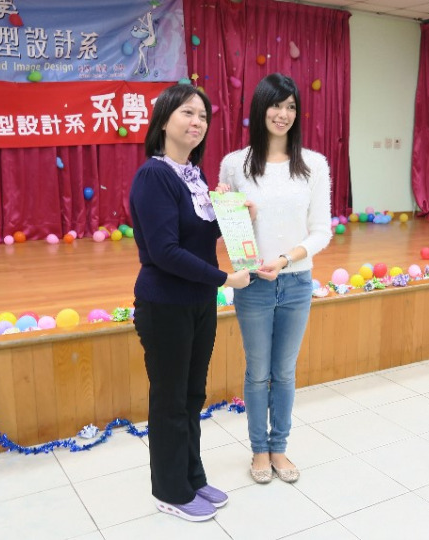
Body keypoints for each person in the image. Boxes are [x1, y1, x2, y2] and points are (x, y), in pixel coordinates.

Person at [129, 84, 250, 521]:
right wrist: (224, 279)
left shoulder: (193, 175)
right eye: (187, 113)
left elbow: (196, 236)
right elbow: (164, 252)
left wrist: (235, 216)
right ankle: (170, 490)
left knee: (192, 394)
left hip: (198, 302)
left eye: (203, 116)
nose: (197, 122)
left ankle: (192, 478)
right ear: (164, 120)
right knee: (170, 399)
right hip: (165, 305)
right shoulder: (154, 175)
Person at [218, 73, 332, 484]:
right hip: (253, 284)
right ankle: (259, 451)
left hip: (296, 282)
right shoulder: (235, 164)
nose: (283, 114)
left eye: (291, 107)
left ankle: (279, 447)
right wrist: (233, 214)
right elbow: (229, 230)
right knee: (257, 372)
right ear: (260, 108)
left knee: (284, 372)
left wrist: (285, 260)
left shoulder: (314, 165)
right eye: (276, 105)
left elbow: (322, 231)